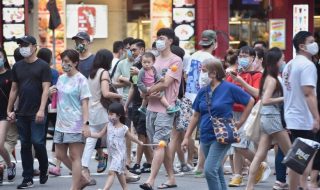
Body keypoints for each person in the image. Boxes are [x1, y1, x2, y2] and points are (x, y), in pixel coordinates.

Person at [181, 57, 255, 190]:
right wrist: (186, 137)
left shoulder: (229, 87)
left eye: (203, 71)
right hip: (205, 135)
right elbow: (196, 115)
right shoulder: (203, 91)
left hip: (222, 135)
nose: (201, 75)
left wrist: (241, 121)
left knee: (209, 170)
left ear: (214, 73)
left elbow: (250, 100)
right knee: (217, 170)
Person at [139, 28, 182, 190]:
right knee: (160, 145)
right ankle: (171, 178)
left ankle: (150, 180)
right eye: (157, 38)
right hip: (150, 107)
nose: (159, 41)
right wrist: (144, 91)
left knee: (159, 144)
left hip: (166, 109)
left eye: (162, 38)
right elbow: (142, 81)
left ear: (170, 41)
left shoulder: (175, 60)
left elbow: (165, 83)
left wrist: (147, 89)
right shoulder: (153, 60)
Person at [7, 35, 51, 189]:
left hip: (38, 112)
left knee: (38, 142)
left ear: (34, 47)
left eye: (25, 44)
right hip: (22, 112)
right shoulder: (17, 66)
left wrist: (41, 109)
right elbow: (14, 89)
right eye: (21, 45)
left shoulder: (43, 66)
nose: (23, 47)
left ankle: (44, 168)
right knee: (25, 144)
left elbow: (46, 89)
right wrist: (10, 109)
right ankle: (27, 178)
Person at [245, 47, 292, 190]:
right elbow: (265, 100)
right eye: (282, 59)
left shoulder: (266, 77)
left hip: (266, 119)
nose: (283, 61)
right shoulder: (272, 79)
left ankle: (249, 186)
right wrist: (285, 97)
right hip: (273, 118)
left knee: (259, 155)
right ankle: (302, 183)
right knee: (292, 153)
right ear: (276, 62)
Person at [49, 49, 91, 190]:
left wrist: (85, 124)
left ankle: (75, 187)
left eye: (67, 62)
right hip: (60, 123)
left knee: (75, 156)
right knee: (60, 154)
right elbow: (58, 99)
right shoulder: (61, 78)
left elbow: (85, 103)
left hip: (75, 124)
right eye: (63, 61)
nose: (64, 64)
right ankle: (83, 179)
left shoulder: (81, 80)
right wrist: (51, 94)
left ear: (75, 63)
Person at [282, 31, 319, 190]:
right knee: (304, 157)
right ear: (302, 46)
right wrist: (317, 117)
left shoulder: (289, 64)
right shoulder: (307, 65)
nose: (315, 44)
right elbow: (308, 93)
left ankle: (297, 187)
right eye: (311, 41)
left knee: (296, 158)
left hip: (291, 116)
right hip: (303, 118)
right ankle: (303, 186)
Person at [226, 46, 267, 187]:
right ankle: (237, 175)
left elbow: (257, 94)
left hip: (250, 113)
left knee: (238, 144)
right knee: (236, 145)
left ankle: (258, 163)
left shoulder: (257, 75)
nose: (243, 58)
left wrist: (241, 81)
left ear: (253, 58)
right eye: (241, 55)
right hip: (233, 112)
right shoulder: (233, 73)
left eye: (246, 56)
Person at [81, 49, 122, 184]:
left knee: (91, 141)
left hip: (92, 110)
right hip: (102, 110)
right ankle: (117, 168)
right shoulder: (104, 72)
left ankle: (84, 168)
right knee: (112, 138)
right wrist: (120, 96)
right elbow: (105, 93)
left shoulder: (92, 73)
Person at [182, 30, 217, 177]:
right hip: (204, 99)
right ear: (214, 43)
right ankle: (200, 166)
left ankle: (189, 161)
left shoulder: (193, 55)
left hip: (189, 96)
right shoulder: (211, 59)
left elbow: (185, 75)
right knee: (204, 133)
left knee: (189, 131)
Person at [86, 102, 143, 190]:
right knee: (119, 173)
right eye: (108, 113)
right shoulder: (108, 125)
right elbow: (99, 134)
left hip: (120, 155)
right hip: (112, 155)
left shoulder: (124, 128)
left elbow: (131, 137)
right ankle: (125, 188)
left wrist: (139, 142)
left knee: (111, 172)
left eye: (111, 114)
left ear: (119, 115)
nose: (109, 116)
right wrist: (90, 134)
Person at [124, 46, 153, 176]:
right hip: (135, 105)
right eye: (131, 49)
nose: (133, 52)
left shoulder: (150, 70)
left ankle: (137, 163)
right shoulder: (135, 66)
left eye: (135, 49)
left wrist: (140, 71)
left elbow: (151, 84)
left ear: (142, 50)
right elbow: (132, 87)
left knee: (142, 135)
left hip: (146, 104)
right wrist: (126, 104)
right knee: (142, 135)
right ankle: (150, 162)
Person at [36, 48, 62, 176]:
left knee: (41, 137)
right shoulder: (53, 72)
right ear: (49, 58)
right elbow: (56, 90)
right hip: (54, 107)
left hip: (41, 107)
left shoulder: (36, 70)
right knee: (57, 135)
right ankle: (57, 164)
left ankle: (43, 165)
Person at [0, 47, 16, 184]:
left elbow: (16, 93)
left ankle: (10, 166)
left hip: (4, 114)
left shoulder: (10, 74)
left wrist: (13, 111)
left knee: (0, 144)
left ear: (3, 58)